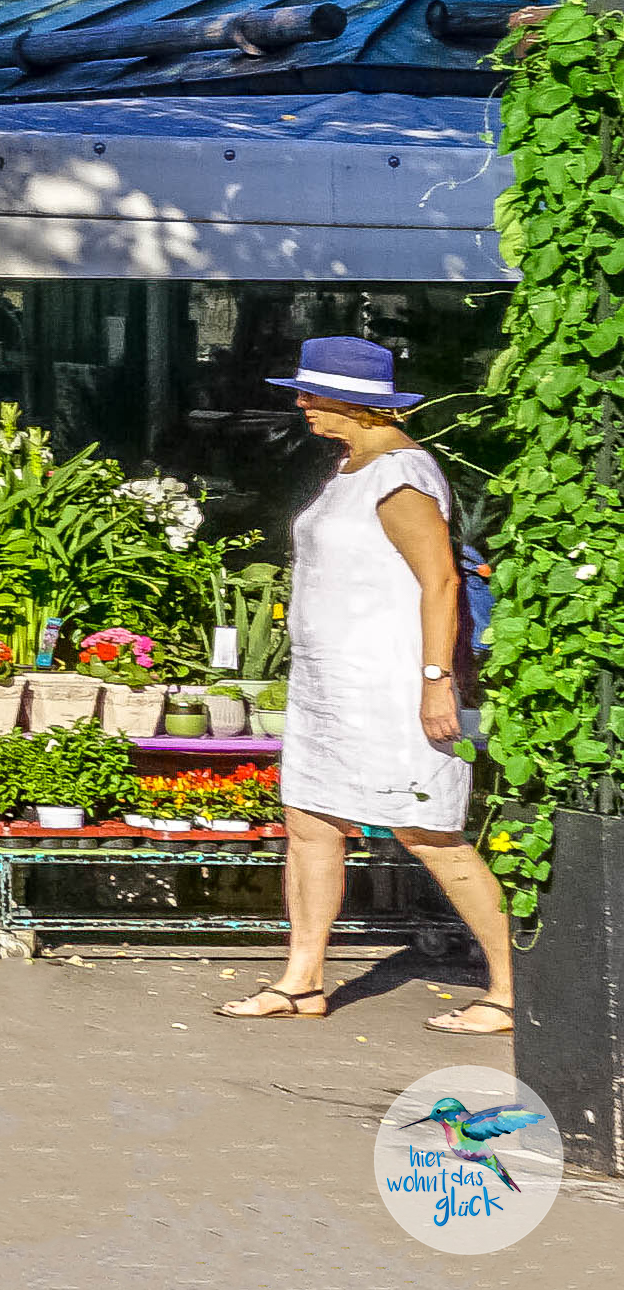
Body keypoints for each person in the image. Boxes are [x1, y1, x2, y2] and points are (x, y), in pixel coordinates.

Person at [222, 335, 517, 1032]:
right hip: (332, 688)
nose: (301, 404)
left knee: (427, 830)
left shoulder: (401, 475)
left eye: (311, 393)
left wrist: (435, 681)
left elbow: (440, 581)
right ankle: (302, 981)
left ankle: (510, 990)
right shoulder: (352, 466)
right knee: (310, 823)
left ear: (353, 402)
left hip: (387, 684)